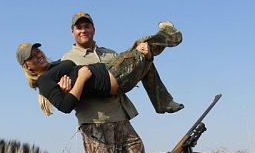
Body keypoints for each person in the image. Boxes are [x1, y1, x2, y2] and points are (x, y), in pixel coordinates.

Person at [17, 21, 183, 115]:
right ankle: (171, 34)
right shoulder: (44, 80)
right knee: (142, 44)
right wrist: (81, 79)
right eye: (31, 57)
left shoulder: (55, 66)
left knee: (146, 60)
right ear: (28, 67)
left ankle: (163, 102)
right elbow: (66, 107)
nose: (37, 55)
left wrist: (70, 88)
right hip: (111, 78)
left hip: (111, 71)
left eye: (37, 51)